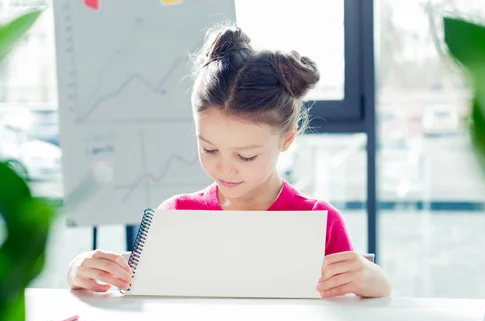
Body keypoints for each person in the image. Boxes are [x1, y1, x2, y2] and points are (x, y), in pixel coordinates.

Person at [67, 23, 391, 298]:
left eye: (246, 155)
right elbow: (137, 299)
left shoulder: (320, 222)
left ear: (287, 138)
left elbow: (357, 308)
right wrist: (79, 271)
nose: (224, 168)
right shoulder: (176, 216)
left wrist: (376, 282)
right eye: (209, 149)